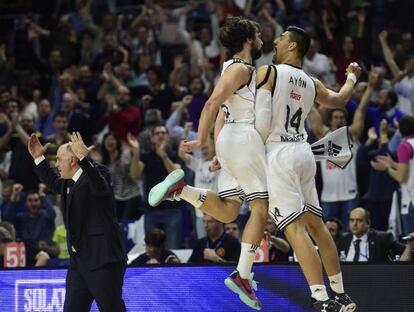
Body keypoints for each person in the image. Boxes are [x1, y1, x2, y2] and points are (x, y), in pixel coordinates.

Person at [148, 16, 268, 310]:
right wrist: (202, 141)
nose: (263, 38)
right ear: (249, 39)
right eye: (259, 34)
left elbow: (224, 111)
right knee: (261, 208)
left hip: (232, 138)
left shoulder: (234, 68)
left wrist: (219, 148)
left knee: (228, 212)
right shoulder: (240, 67)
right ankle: (243, 274)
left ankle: (182, 190)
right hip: (243, 137)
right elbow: (212, 104)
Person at [255, 26, 361, 311]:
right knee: (316, 225)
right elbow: (340, 99)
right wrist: (352, 75)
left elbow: (259, 119)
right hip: (303, 152)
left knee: (295, 229)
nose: (275, 41)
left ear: (293, 47)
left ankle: (321, 299)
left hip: (279, 154)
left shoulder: (269, 72)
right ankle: (340, 293)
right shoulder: (310, 81)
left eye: (281, 38)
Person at [28, 132, 127, 311]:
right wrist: (38, 158)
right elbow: (53, 183)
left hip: (102, 259)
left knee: (112, 308)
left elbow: (100, 187)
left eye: (59, 159)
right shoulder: (68, 181)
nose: (56, 164)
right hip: (79, 263)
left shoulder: (97, 173)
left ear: (73, 161)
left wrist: (84, 159)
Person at [337, 208, 406, 262]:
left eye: (359, 220)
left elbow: (405, 250)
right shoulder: (342, 240)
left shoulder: (383, 239)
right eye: (352, 220)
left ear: (368, 223)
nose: (354, 224)